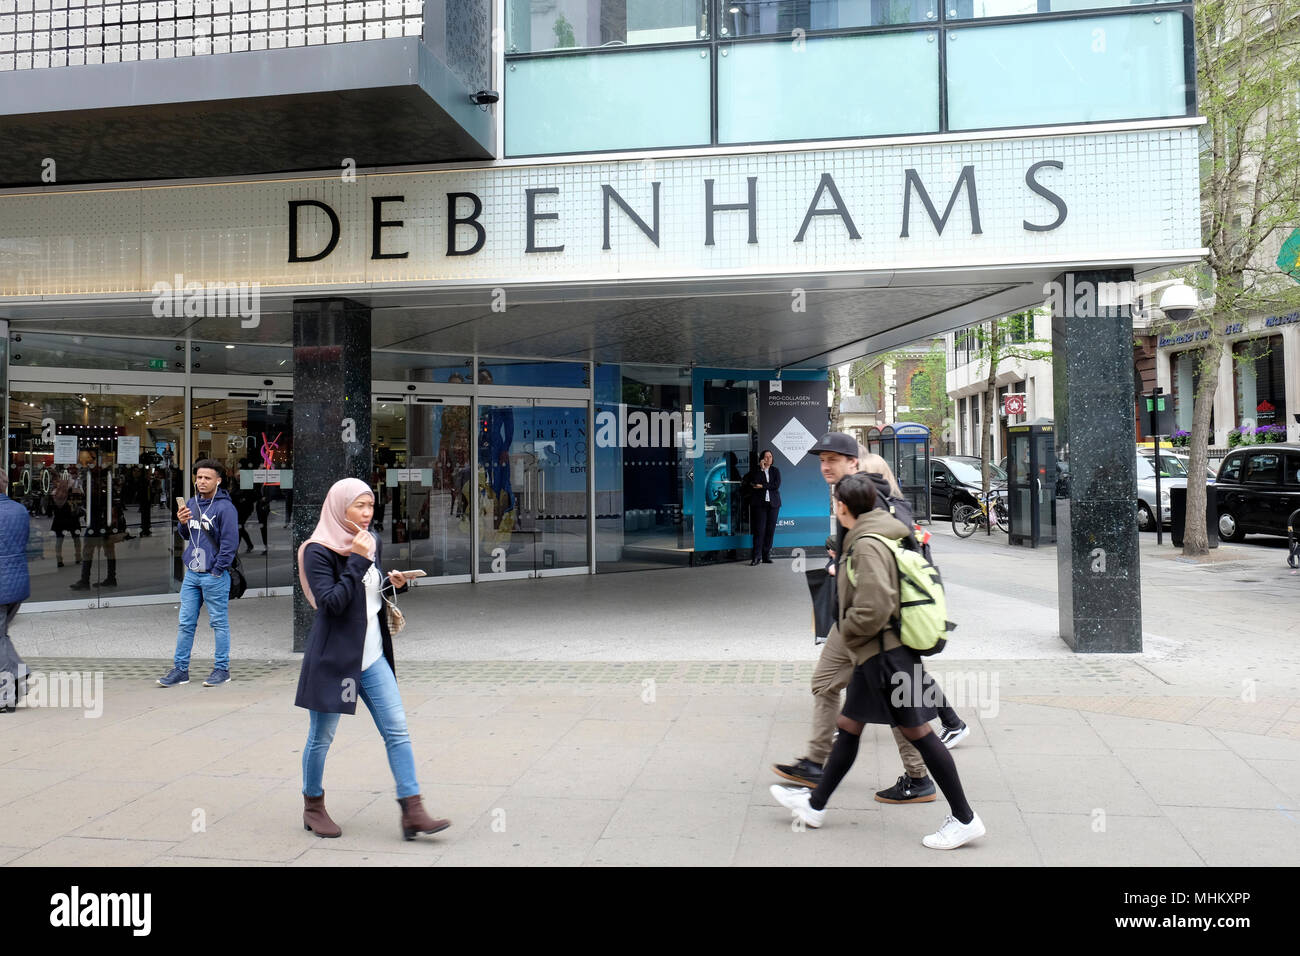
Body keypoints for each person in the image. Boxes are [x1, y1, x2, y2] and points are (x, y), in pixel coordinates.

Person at [771, 472, 986, 849]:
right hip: (879, 656)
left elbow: (875, 605)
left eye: (834, 502)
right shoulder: (875, 533)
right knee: (849, 726)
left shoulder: (867, 543)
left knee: (920, 734)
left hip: (886, 658)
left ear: (842, 507)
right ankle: (815, 805)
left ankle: (965, 818)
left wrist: (848, 629)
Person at [294, 478, 450, 841]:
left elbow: (368, 592)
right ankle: (313, 806)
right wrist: (359, 560)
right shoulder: (317, 550)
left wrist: (393, 582)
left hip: (373, 656)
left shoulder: (370, 540)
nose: (367, 514)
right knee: (322, 737)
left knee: (397, 730)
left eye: (370, 506)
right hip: (335, 660)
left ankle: (413, 809)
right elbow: (330, 604)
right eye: (359, 506)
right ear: (339, 507)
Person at [158, 459, 238, 688]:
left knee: (219, 623)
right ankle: (180, 670)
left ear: (218, 481)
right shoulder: (192, 503)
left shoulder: (225, 508)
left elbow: (230, 543)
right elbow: (186, 535)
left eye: (207, 478)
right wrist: (182, 523)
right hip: (192, 574)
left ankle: (222, 669)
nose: (202, 482)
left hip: (213, 574)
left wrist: (217, 570)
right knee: (185, 623)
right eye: (199, 477)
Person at [0, 472, 31, 714]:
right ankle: (19, 673)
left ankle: (6, 695)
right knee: (2, 634)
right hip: (17, 583)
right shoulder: (19, 510)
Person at [745, 449, 781, 565]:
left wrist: (763, 486)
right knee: (759, 531)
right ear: (762, 458)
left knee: (770, 531)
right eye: (766, 457)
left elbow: (776, 485)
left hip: (773, 504)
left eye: (770, 456)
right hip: (760, 505)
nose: (768, 458)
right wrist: (761, 470)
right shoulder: (756, 471)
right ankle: (756, 557)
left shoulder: (775, 471)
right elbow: (755, 483)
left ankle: (766, 555)